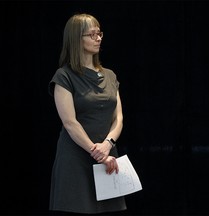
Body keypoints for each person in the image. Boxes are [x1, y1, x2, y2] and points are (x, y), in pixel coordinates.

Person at [48, 13, 127, 215]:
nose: (98, 38)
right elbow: (70, 122)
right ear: (76, 39)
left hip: (107, 155)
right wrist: (97, 152)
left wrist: (108, 144)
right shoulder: (64, 76)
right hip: (77, 156)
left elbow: (118, 118)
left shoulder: (110, 75)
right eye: (92, 34)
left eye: (99, 33)